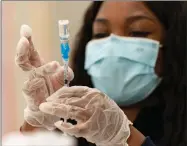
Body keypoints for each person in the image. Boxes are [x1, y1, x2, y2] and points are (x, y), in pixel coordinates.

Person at [15, 1, 186, 146]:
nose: (112, 46)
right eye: (101, 34)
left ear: (174, 41)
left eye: (137, 31)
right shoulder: (73, 122)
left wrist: (123, 137)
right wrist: (36, 124)